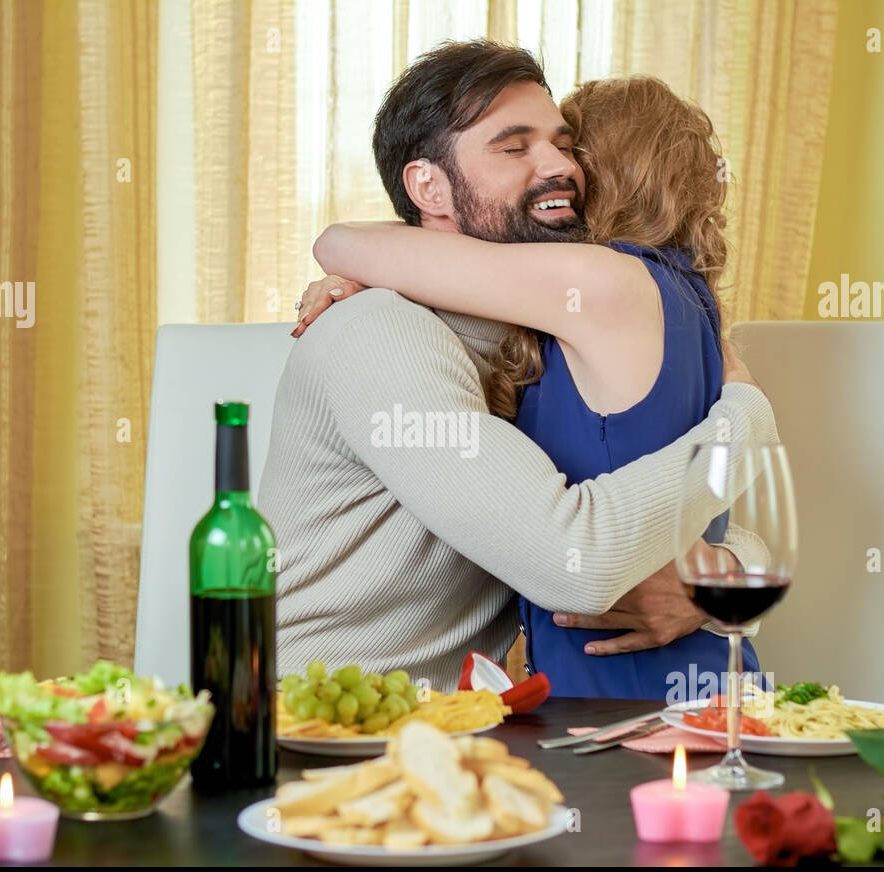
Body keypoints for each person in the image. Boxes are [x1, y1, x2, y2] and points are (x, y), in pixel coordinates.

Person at [257, 39, 778, 694]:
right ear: (428, 186)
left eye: (565, 145)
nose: (559, 165)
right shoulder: (381, 335)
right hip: (319, 738)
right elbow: (580, 563)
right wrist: (746, 423)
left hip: (454, 736)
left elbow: (690, 527)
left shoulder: (538, 339)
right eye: (515, 147)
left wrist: (713, 580)